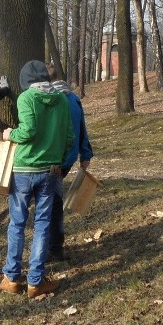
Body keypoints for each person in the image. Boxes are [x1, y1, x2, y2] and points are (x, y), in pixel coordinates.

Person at [0, 60, 73, 299]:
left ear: (26, 81)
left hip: (24, 169)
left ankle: (11, 277)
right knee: (42, 224)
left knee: (17, 223)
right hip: (50, 170)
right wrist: (58, 157)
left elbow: (28, 131)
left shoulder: (26, 98)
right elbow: (70, 137)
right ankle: (35, 281)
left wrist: (11, 134)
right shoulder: (62, 99)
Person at [45, 62, 94, 261]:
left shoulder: (48, 100)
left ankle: (55, 247)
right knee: (52, 199)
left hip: (52, 159)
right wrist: (85, 154)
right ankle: (54, 245)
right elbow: (83, 127)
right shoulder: (74, 98)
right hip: (68, 159)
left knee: (52, 202)